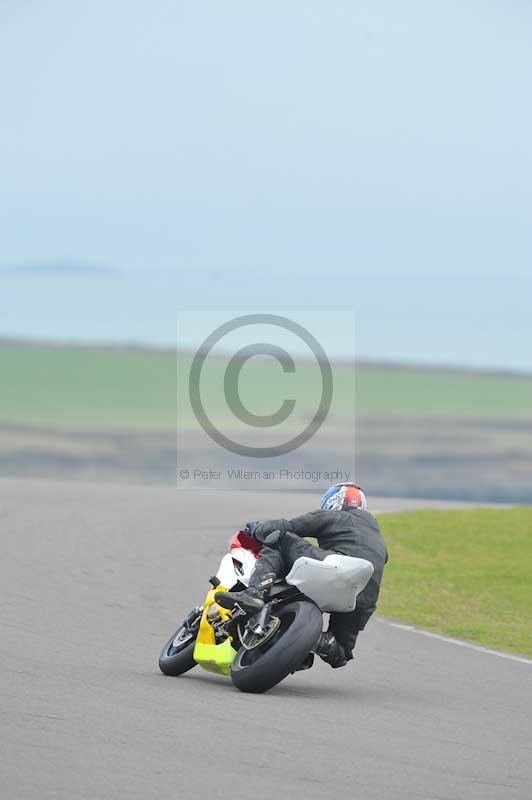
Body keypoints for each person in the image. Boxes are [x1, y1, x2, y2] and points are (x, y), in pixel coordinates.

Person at [215, 483, 388, 669]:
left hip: (338, 566)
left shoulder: (335, 516)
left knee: (280, 538)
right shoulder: (378, 538)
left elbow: (289, 526)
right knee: (339, 651)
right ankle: (320, 642)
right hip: (364, 596)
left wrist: (257, 529)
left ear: (333, 501)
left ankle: (255, 593)